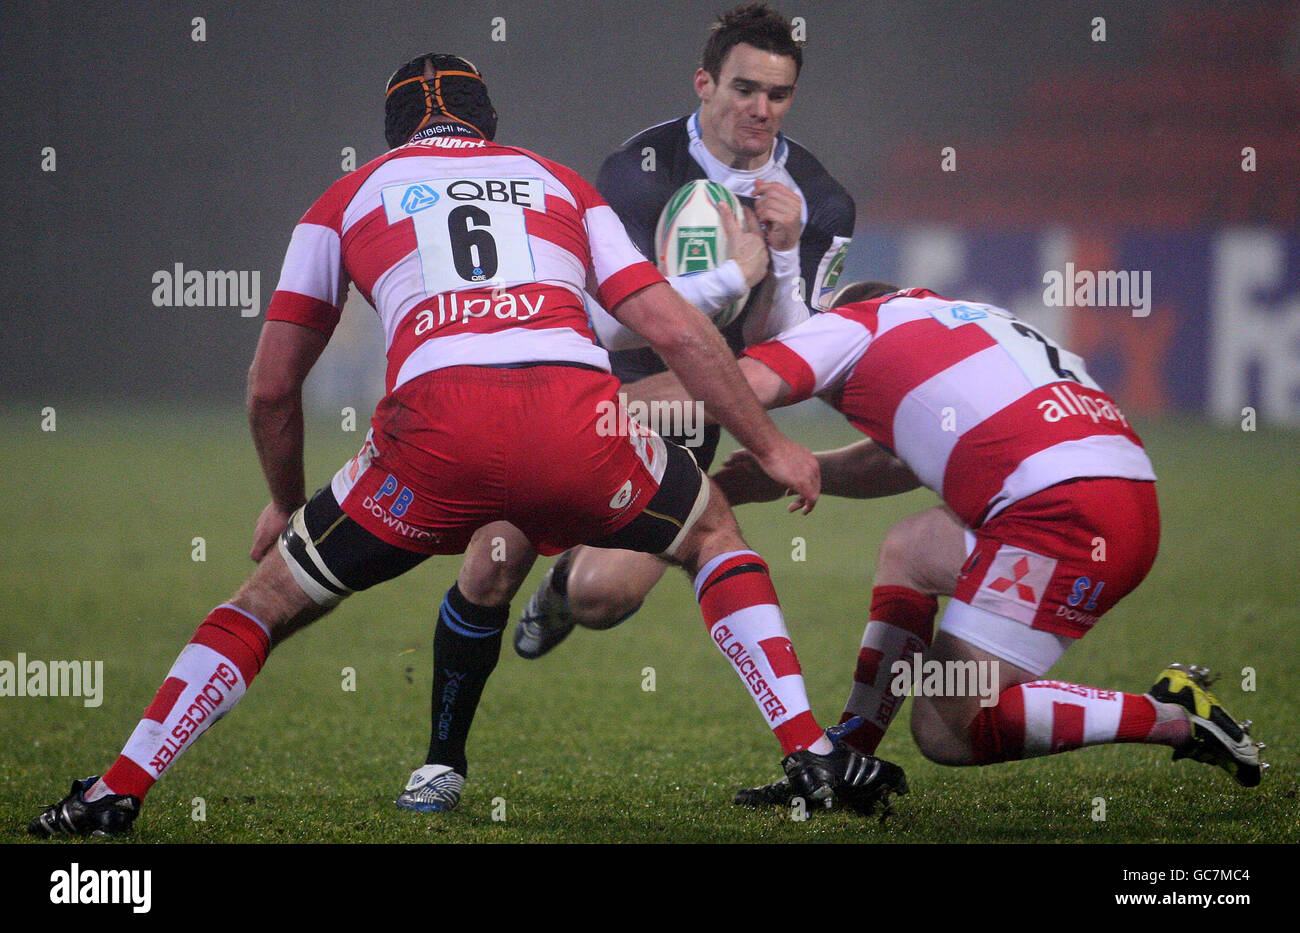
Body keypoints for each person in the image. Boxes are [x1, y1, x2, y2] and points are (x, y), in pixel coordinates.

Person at [26, 55, 898, 838]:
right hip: (577, 419)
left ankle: (118, 789)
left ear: (396, 136)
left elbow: (270, 388)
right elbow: (675, 329)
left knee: (269, 601)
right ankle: (809, 750)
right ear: (486, 128)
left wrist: (288, 505)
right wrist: (774, 445)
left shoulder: (344, 199)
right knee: (710, 530)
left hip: (435, 435)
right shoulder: (552, 179)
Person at [397, 3, 858, 809]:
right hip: (587, 389)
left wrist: (781, 260)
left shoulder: (816, 196)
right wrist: (729, 276)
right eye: (744, 89)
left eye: (778, 96)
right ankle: (440, 762)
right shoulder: (638, 170)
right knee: (491, 561)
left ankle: (565, 588)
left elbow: (800, 350)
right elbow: (613, 312)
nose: (760, 110)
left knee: (604, 596)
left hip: (702, 403)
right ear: (704, 83)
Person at [627, 282, 1267, 806]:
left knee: (950, 728)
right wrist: (796, 470)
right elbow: (900, 465)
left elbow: (735, 389)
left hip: (1059, 514)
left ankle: (1174, 716)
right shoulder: (966, 317)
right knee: (915, 547)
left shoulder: (851, 324)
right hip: (1108, 495)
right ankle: (850, 749)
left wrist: (595, 403)